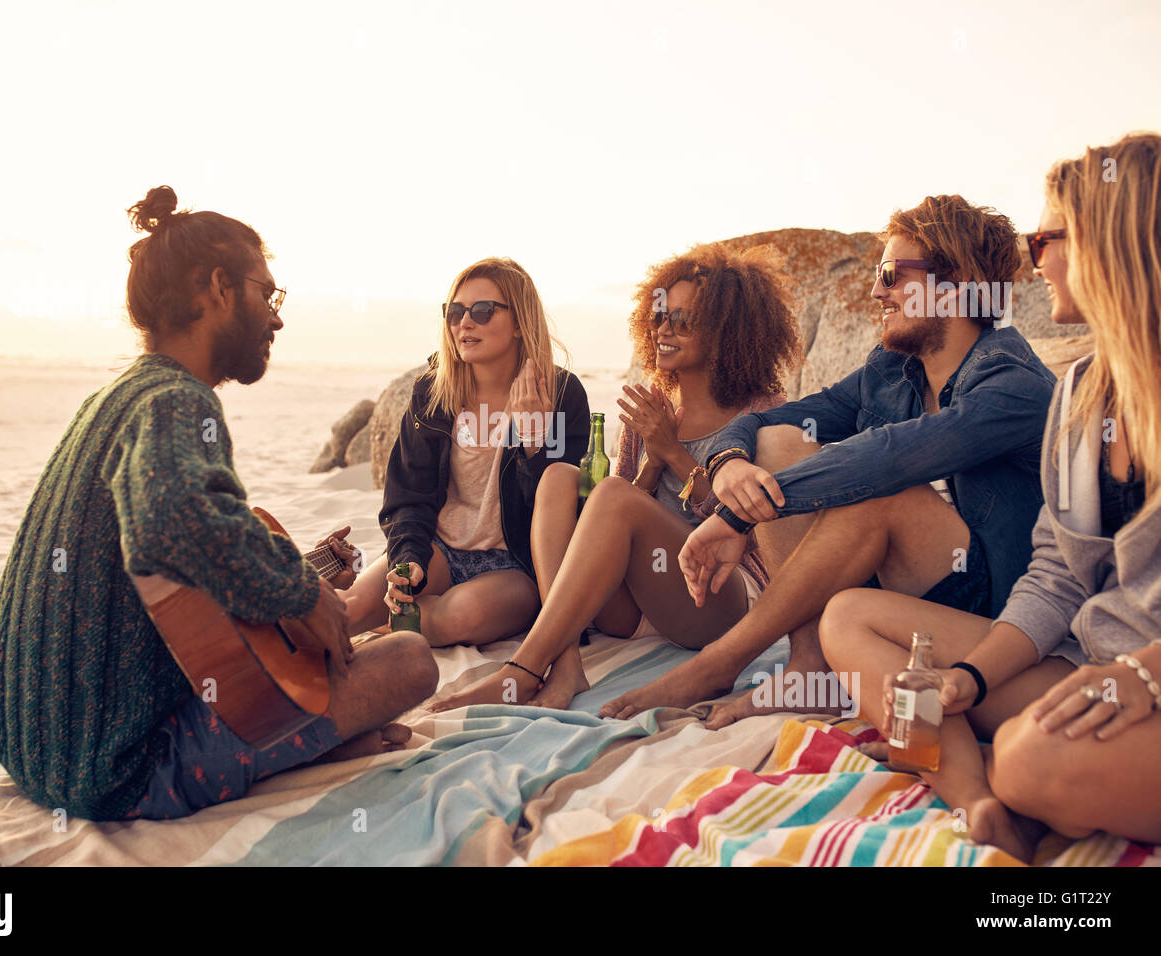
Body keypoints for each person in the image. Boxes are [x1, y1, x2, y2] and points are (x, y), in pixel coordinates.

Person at [0, 186, 437, 822]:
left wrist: (300, 573)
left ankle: (311, 742)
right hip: (114, 768)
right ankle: (300, 750)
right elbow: (169, 523)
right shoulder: (179, 401)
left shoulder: (113, 401)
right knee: (409, 661)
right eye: (266, 295)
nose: (275, 318)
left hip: (21, 733)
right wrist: (299, 594)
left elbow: (173, 571)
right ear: (218, 288)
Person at [820, 132, 1161, 861]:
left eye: (1049, 238)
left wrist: (1144, 672)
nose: (1035, 261)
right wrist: (970, 680)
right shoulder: (1081, 395)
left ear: (1112, 240)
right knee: (850, 617)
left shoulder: (1014, 381)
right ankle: (982, 807)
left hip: (1143, 678)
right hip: (1086, 668)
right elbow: (1060, 576)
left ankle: (1024, 784)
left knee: (1030, 759)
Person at [601, 195, 1057, 727]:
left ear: (952, 284)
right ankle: (808, 668)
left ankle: (719, 662)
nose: (876, 290)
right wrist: (726, 461)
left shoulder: (1012, 383)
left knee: (885, 497)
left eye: (891, 274)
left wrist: (737, 515)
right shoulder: (891, 372)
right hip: (911, 596)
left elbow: (889, 457)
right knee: (778, 442)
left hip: (1001, 622)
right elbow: (771, 421)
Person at [429, 243, 802, 711]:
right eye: (659, 317)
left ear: (729, 331)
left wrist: (673, 453)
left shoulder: (765, 414)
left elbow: (758, 533)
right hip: (635, 603)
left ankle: (522, 669)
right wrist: (651, 462)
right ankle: (564, 665)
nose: (664, 329)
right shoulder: (648, 411)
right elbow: (619, 510)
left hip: (716, 597)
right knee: (560, 478)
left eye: (682, 320)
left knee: (610, 494)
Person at [340, 257, 591, 647]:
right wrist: (409, 560)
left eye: (482, 311)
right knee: (352, 608)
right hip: (438, 548)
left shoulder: (559, 395)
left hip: (517, 565)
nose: (464, 323)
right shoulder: (433, 394)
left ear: (521, 323)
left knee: (449, 618)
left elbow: (557, 507)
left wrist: (533, 439)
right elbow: (408, 496)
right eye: (455, 312)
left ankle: (387, 626)